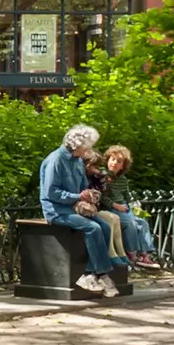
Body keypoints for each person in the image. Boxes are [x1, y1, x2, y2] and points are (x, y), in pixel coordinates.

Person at [38, 124, 128, 298]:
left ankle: (91, 274)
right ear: (76, 145)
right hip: (56, 210)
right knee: (92, 228)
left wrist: (89, 194)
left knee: (105, 226)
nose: (89, 149)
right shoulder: (56, 160)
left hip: (74, 207)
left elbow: (82, 187)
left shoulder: (78, 161)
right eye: (87, 145)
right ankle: (100, 274)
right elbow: (51, 192)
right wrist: (77, 196)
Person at [87, 145, 161, 272]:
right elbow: (102, 197)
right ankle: (131, 253)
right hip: (111, 208)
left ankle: (144, 254)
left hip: (124, 207)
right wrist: (116, 206)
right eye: (113, 159)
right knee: (130, 223)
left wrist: (134, 205)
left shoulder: (123, 179)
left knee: (142, 222)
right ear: (108, 160)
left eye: (119, 161)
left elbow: (127, 195)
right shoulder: (102, 176)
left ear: (123, 166)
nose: (115, 163)